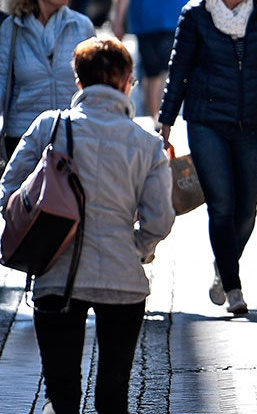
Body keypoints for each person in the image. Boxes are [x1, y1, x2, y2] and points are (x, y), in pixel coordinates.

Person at [0, 36, 175, 414]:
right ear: (128, 80)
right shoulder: (147, 144)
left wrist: (38, 234)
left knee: (62, 395)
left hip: (56, 273)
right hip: (122, 278)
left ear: (78, 82)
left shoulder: (50, 126)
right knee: (113, 396)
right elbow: (160, 218)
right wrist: (136, 248)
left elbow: (9, 189)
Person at [158, 0, 257, 315]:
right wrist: (165, 120)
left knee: (247, 208)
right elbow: (178, 71)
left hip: (251, 120)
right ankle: (233, 287)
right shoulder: (195, 15)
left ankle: (224, 264)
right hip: (206, 120)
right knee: (221, 204)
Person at [0, 0, 95, 157]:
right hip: (23, 137)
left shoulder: (82, 26)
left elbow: (95, 84)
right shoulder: (11, 29)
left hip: (71, 134)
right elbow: (1, 82)